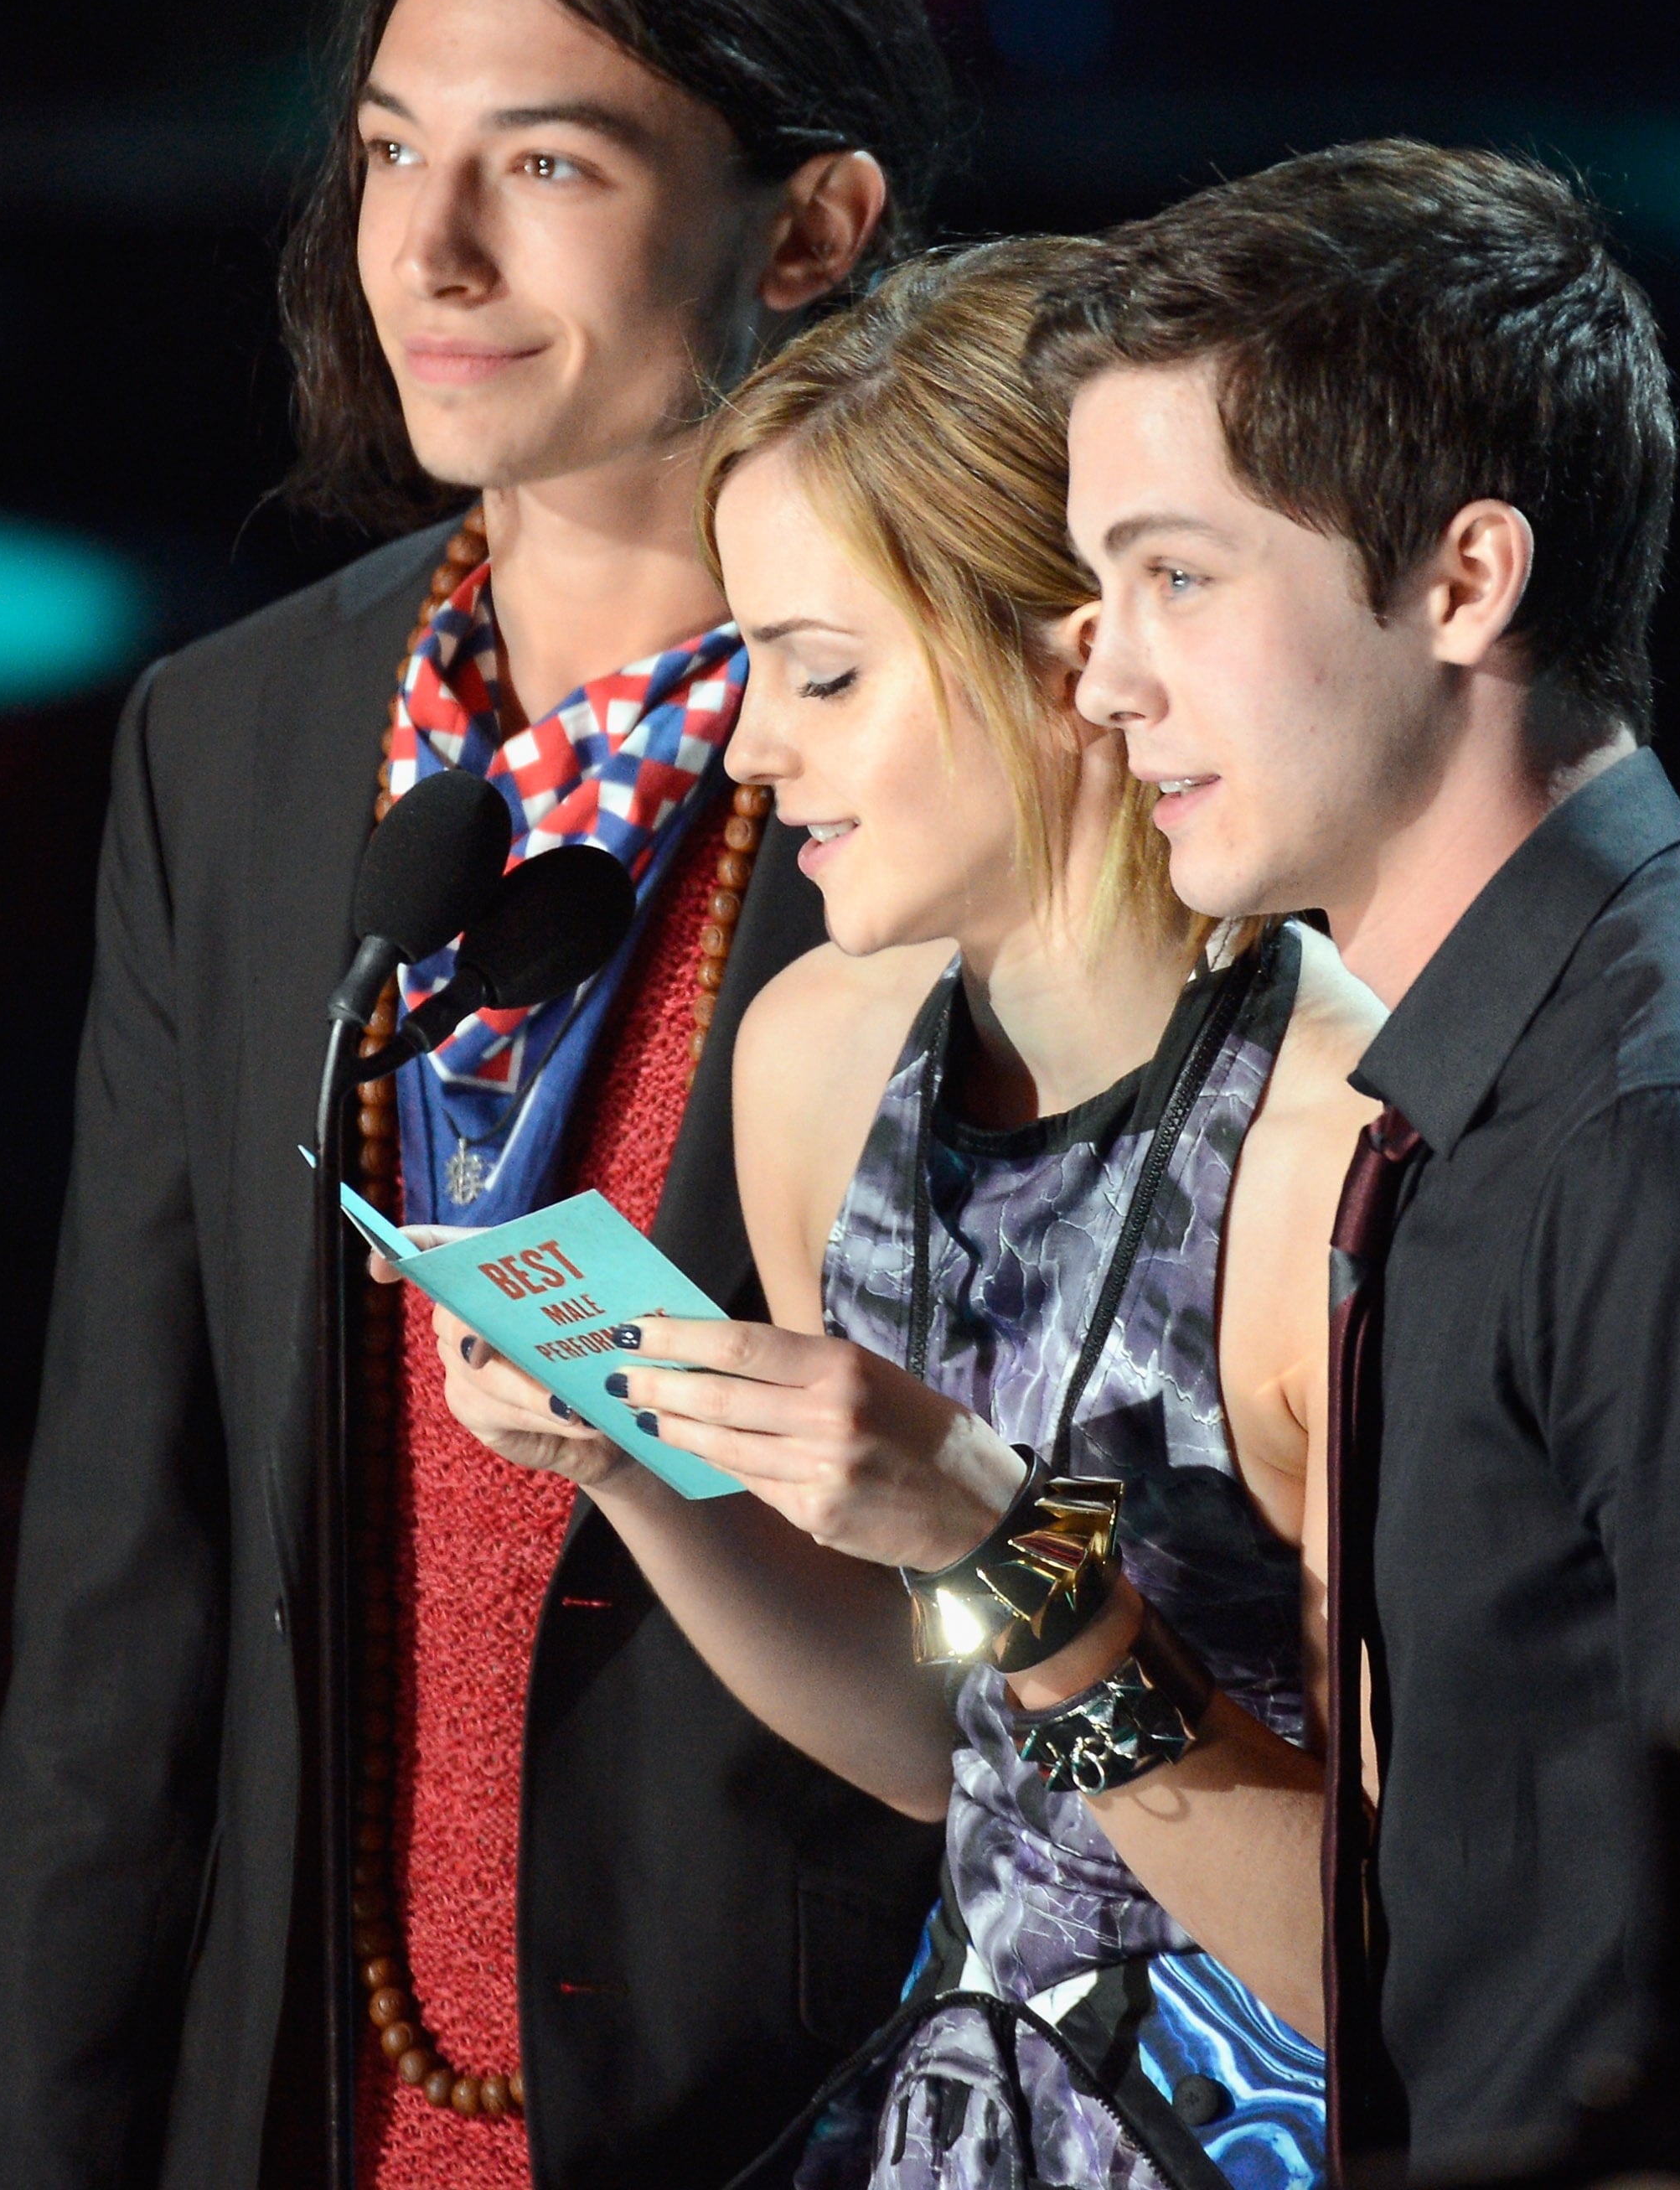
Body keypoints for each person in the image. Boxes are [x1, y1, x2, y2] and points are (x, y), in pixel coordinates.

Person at [0, 0, 954, 2190]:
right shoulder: (245, 735)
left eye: (548, 163)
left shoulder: (954, 757)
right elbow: (126, 1560)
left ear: (810, 226)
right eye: (391, 151)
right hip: (305, 2094)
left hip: (797, 2104)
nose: (429, 247)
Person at [411, 239, 1388, 2188]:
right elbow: (958, 1766)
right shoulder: (818, 1054)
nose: (758, 753)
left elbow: (1385, 1966)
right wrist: (631, 1470)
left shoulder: (1340, 1142)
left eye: (823, 672)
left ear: (1072, 661)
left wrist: (1010, 1553)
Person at [1039, 138, 1680, 2178]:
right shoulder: (1535, 1073)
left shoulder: (1672, 1136)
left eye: (1175, 572)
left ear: (1464, 578)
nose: (1101, 675)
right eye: (1100, 586)